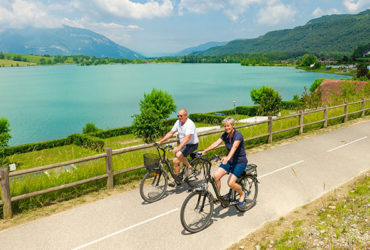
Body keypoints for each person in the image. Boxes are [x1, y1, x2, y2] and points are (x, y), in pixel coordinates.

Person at [201, 117, 247, 205]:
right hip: (230, 161)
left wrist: (227, 158)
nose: (226, 128)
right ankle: (218, 196)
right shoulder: (225, 135)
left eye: (228, 126)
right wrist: (205, 151)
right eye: (225, 126)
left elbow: (234, 147)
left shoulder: (238, 135)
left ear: (233, 126)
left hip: (239, 161)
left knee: (230, 183)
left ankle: (242, 194)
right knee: (216, 176)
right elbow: (216, 143)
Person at [157, 108, 199, 187]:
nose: (179, 117)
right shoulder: (178, 122)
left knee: (178, 156)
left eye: (181, 116)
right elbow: (171, 133)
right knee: (175, 161)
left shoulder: (190, 124)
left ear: (186, 116)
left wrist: (178, 148)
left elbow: (187, 138)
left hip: (191, 144)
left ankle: (190, 167)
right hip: (182, 143)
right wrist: (160, 141)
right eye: (178, 116)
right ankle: (177, 180)